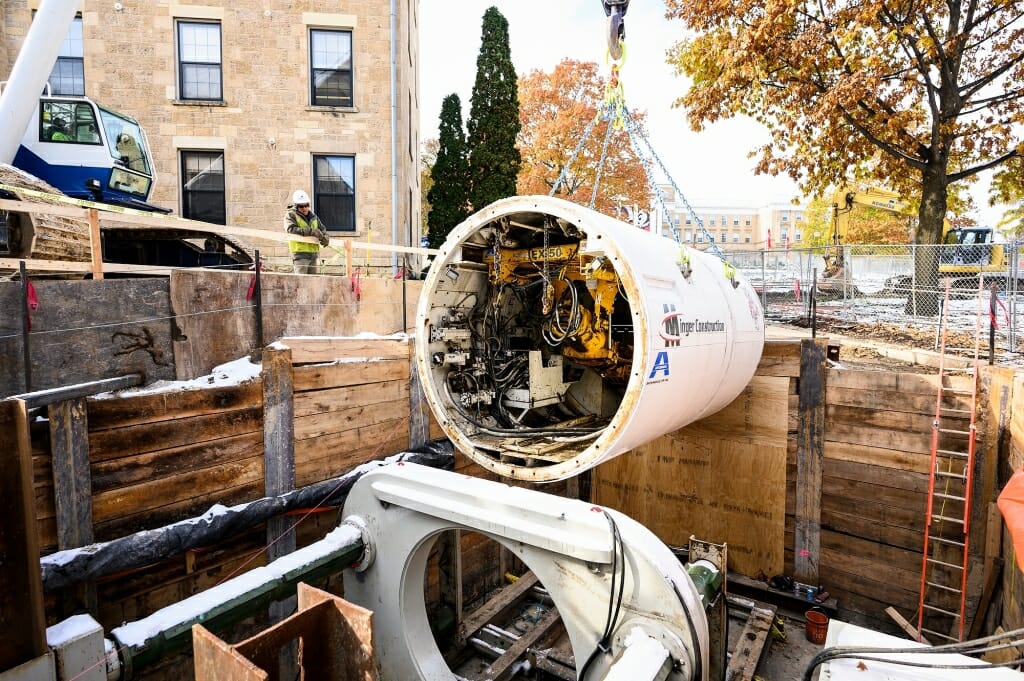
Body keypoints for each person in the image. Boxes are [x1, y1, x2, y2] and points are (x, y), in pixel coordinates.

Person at [284, 189, 330, 274]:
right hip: (300, 255)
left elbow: (322, 229)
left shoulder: (313, 216)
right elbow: (291, 229)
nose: (305, 208)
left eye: (306, 205)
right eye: (301, 206)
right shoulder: (291, 215)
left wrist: (326, 236)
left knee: (313, 283)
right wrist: (312, 231)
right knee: (301, 283)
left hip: (313, 255)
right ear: (296, 206)